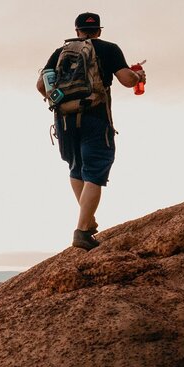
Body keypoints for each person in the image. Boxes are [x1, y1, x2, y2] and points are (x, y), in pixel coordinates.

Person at [36, 12, 146, 250]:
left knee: (76, 168)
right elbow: (127, 80)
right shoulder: (108, 49)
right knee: (95, 171)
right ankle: (82, 231)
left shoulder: (60, 52)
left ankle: (88, 219)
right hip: (95, 117)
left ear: (77, 31)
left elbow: (40, 85)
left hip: (64, 120)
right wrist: (138, 75)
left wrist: (61, 101)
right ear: (99, 30)